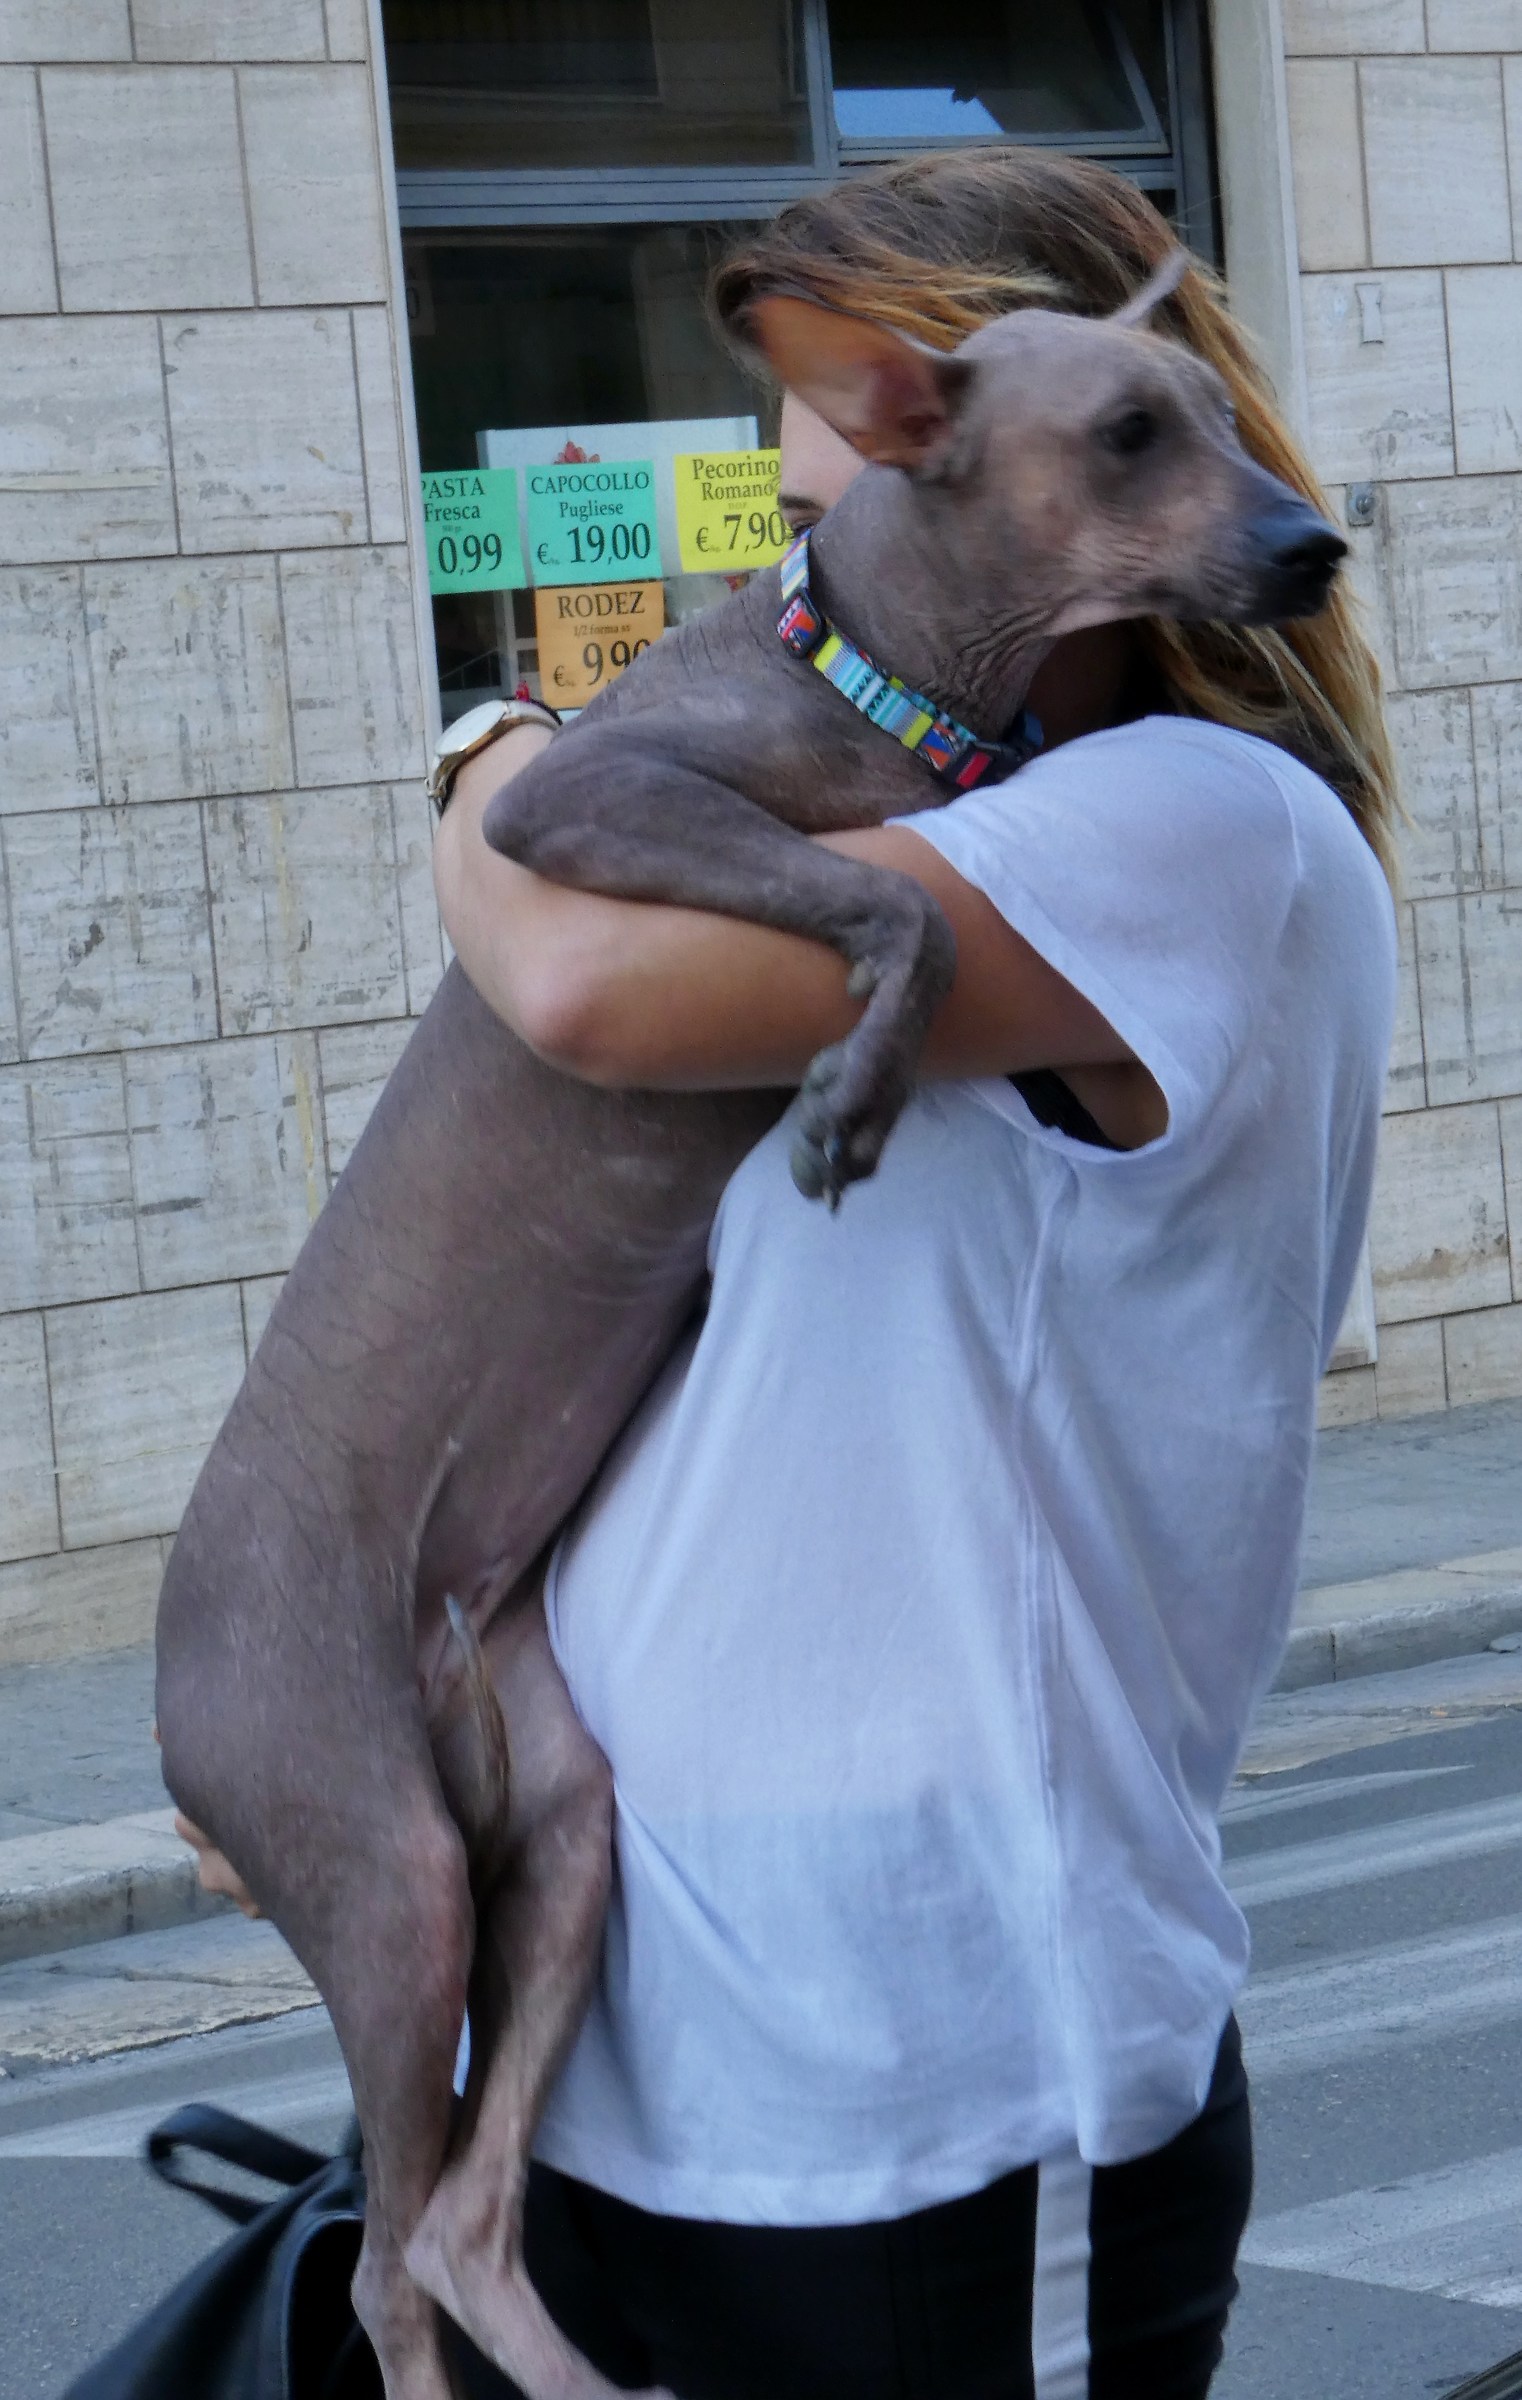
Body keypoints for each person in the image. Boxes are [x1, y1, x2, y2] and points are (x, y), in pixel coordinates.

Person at [204, 148, 1400, 2398]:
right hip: (633, 2075)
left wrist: (491, 740)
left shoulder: (1192, 831)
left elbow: (569, 974)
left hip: (931, 2084)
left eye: (846, 491)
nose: (814, 575)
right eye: (784, 523)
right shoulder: (892, 816)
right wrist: (352, 1715)